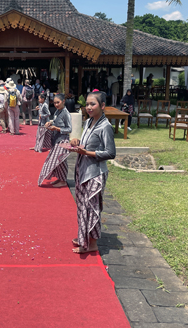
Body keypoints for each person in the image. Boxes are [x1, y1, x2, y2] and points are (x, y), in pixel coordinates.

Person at [70, 91, 115, 254]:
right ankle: (84, 237)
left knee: (92, 208)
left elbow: (111, 153)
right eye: (87, 104)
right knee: (82, 206)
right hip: (83, 169)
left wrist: (87, 153)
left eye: (92, 104)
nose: (88, 107)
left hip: (96, 173)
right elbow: (87, 143)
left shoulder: (105, 127)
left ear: (102, 106)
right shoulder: (88, 122)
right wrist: (77, 142)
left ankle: (93, 243)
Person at [38, 94, 72, 188]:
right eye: (55, 103)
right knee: (60, 161)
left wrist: (56, 128)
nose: (56, 104)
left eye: (58, 102)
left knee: (59, 160)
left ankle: (63, 180)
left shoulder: (66, 113)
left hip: (63, 140)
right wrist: (51, 122)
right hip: (56, 139)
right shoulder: (58, 111)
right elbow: (56, 120)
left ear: (63, 101)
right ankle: (60, 178)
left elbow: (69, 129)